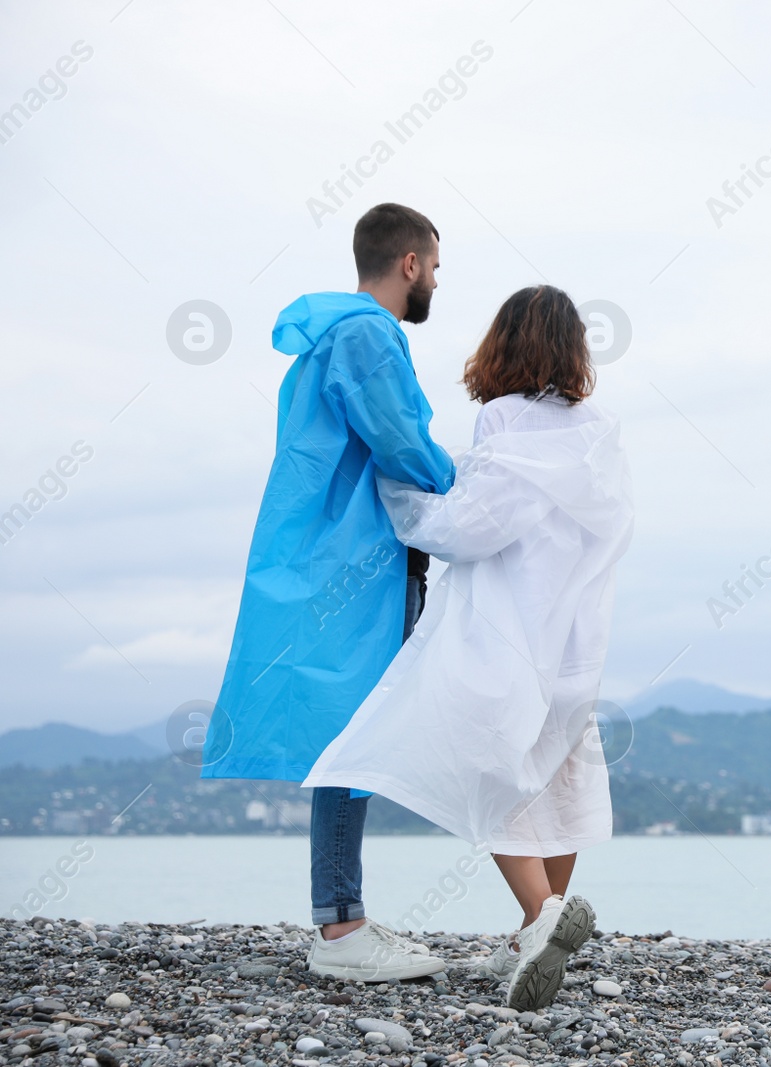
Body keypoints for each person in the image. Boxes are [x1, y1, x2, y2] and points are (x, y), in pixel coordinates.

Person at [304, 285, 634, 1011]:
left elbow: (475, 525)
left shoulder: (503, 416)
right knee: (560, 778)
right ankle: (534, 929)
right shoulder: (600, 427)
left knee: (497, 775)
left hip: (509, 638)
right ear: (575, 347)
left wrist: (402, 495)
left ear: (506, 341)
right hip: (577, 645)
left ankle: (544, 915)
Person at [204, 203, 456, 982]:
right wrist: (463, 481)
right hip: (356, 564)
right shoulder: (370, 334)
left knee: (351, 736)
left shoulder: (326, 340)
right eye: (437, 267)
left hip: (331, 557)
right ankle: (341, 930)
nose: (438, 282)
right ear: (408, 263)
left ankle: (341, 918)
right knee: (355, 737)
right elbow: (403, 443)